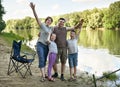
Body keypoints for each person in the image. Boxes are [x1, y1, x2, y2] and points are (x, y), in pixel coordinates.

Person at [29, 2, 53, 82]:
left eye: (50, 21)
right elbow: (37, 18)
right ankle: (43, 76)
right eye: (48, 20)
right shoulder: (42, 25)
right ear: (46, 21)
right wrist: (33, 9)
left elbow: (54, 35)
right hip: (40, 45)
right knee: (42, 59)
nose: (49, 21)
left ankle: (45, 74)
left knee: (45, 60)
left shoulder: (51, 29)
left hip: (46, 46)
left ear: (51, 22)